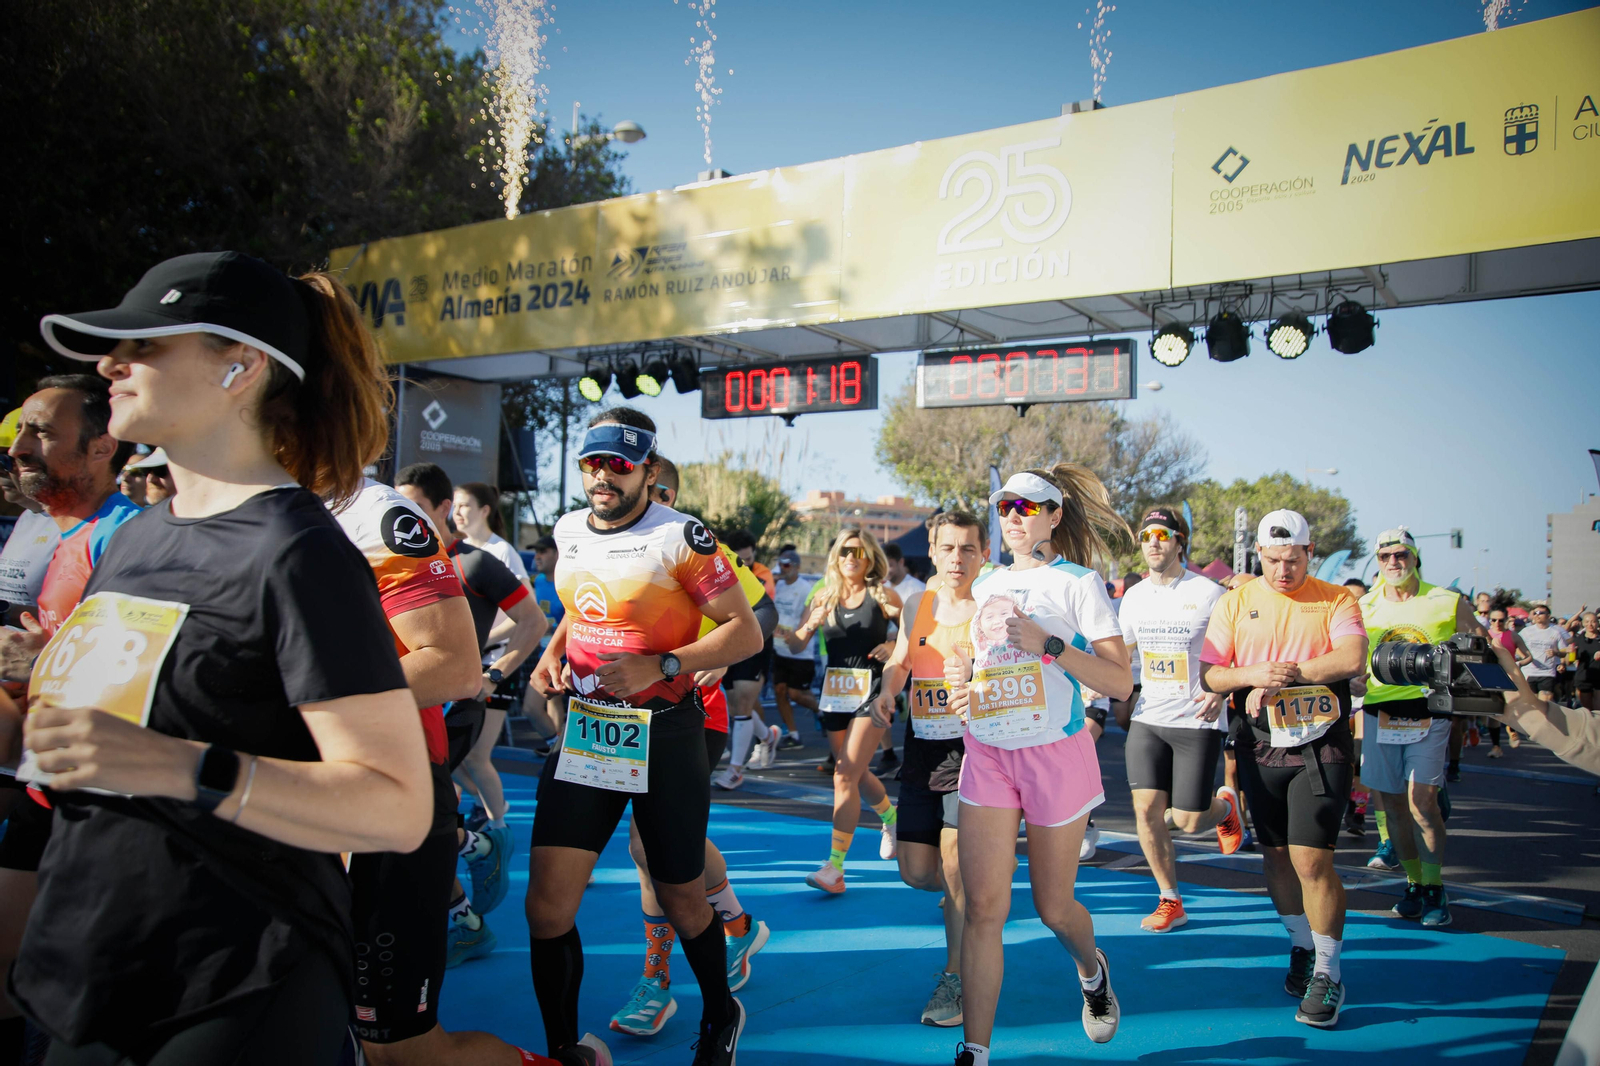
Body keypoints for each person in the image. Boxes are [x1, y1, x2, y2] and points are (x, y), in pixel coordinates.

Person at [9, 250, 437, 1063]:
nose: (110, 365)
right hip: (89, 971)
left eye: (146, 346)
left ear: (239, 368)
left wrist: (179, 765)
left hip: (232, 989)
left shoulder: (297, 551)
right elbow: (101, 738)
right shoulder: (137, 537)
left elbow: (396, 805)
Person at [526, 407, 763, 1066]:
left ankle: (721, 1012)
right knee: (546, 906)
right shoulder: (569, 528)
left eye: (618, 465)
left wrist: (663, 664)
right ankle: (562, 1050)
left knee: (683, 895)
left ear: (647, 472)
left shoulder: (682, 536)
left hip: (664, 729)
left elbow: (746, 632)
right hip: (592, 731)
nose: (603, 476)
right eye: (592, 463)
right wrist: (555, 646)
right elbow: (581, 604)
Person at [944, 465, 1132, 1066]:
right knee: (984, 910)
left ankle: (1092, 970)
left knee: (1054, 908)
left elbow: (1119, 682)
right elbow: (977, 659)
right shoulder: (985, 583)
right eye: (1005, 508)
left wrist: (1050, 645)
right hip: (990, 753)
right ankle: (975, 1050)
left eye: (1029, 508)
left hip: (1056, 755)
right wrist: (962, 680)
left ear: (1054, 515)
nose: (1014, 518)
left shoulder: (1080, 583)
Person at [606, 459, 773, 1040]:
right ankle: (736, 922)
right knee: (659, 847)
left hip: (696, 713)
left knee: (650, 845)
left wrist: (720, 658)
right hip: (625, 717)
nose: (657, 499)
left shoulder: (696, 544)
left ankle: (657, 981)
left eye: (666, 492)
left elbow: (763, 614)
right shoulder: (609, 545)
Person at [0, 375, 141, 1056]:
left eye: (41, 432)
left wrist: (38, 663)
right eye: (20, 430)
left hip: (101, 808)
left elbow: (143, 684)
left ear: (100, 448)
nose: (19, 447)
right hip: (35, 777)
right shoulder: (42, 529)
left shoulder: (126, 537)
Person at [1200, 509, 1368, 1029]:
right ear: (1258, 555)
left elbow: (1353, 657)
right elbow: (1210, 674)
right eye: (1272, 561)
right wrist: (1252, 675)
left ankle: (1328, 971)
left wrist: (1286, 678)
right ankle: (1301, 946)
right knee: (1274, 857)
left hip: (1321, 746)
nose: (1282, 571)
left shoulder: (1335, 597)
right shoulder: (1235, 601)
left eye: (1292, 560)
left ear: (1309, 553)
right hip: (1258, 745)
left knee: (1312, 862)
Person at [393, 461, 549, 971]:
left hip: (450, 712)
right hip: (395, 711)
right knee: (411, 824)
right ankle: (469, 877)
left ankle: (477, 848)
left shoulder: (476, 564)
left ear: (444, 511)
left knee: (415, 821)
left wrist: (493, 675)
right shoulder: (387, 560)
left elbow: (533, 621)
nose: (402, 515)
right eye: (398, 504)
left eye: (416, 505)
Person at [876, 511, 985, 1028]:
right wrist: (887, 691)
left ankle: (954, 979)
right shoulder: (918, 604)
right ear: (934, 553)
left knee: (955, 866)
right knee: (919, 873)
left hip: (974, 753)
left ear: (983, 554)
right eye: (948, 548)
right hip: (922, 747)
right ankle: (972, 899)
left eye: (967, 549)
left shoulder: (991, 608)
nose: (957, 558)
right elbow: (900, 660)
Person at [1118, 507, 1239, 933]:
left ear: (1179, 541)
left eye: (1162, 534)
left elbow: (1236, 650)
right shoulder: (1133, 597)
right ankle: (1170, 899)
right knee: (1146, 809)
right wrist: (1099, 684)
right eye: (1146, 534)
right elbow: (1123, 653)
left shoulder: (1209, 593)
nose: (1152, 541)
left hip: (1197, 718)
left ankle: (1225, 807)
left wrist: (1219, 688)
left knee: (1188, 820)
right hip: (1149, 716)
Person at [1357, 528, 1485, 929]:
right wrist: (1356, 677)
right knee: (1391, 805)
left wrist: (1463, 674)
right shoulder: (1364, 605)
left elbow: (1480, 646)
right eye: (1385, 557)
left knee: (1421, 803)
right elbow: (1354, 656)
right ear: (1377, 561)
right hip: (1381, 711)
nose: (1393, 563)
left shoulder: (1446, 601)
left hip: (1429, 711)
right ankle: (1414, 884)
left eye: (1401, 555)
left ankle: (1434, 887)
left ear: (1415, 558)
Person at [782, 527, 903, 893]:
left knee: (844, 775)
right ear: (836, 556)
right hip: (835, 693)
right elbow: (799, 640)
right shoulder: (824, 597)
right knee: (851, 771)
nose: (851, 557)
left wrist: (891, 641)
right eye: (845, 551)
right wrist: (786, 631)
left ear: (869, 559)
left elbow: (914, 632)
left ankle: (834, 868)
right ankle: (891, 817)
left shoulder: (883, 596)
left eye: (859, 552)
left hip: (874, 691)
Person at [452, 482, 532, 827]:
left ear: (484, 510)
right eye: (453, 506)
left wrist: (481, 641)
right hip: (462, 665)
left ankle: (498, 824)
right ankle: (464, 817)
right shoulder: (454, 552)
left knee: (476, 755)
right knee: (451, 757)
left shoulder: (501, 554)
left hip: (495, 666)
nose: (456, 513)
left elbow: (528, 618)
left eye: (464, 505)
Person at [711, 528, 782, 787]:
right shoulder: (721, 564)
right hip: (729, 637)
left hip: (757, 639)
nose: (745, 563)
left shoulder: (762, 574)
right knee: (735, 706)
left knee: (742, 703)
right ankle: (768, 736)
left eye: (748, 560)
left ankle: (735, 770)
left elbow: (762, 607)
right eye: (740, 559)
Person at [769, 546, 818, 748]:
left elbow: (807, 619)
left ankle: (822, 711)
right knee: (780, 690)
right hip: (779, 648)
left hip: (800, 651)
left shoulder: (805, 588)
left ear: (797, 567)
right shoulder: (778, 585)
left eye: (787, 564)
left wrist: (797, 634)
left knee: (796, 694)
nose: (782, 568)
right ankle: (794, 734)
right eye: (780, 564)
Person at [522, 535, 568, 746]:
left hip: (569, 657)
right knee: (550, 702)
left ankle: (556, 752)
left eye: (543, 552)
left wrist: (552, 627)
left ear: (557, 554)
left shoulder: (567, 582)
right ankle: (556, 751)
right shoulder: (538, 581)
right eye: (536, 552)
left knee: (533, 707)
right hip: (546, 654)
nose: (537, 557)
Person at [1484, 608, 1532, 758]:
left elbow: (1529, 656)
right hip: (1489, 677)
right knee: (1493, 713)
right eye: (1493, 620)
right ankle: (1496, 747)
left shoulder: (1513, 636)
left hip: (1509, 677)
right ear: (1489, 621)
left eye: (1501, 620)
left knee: (1510, 707)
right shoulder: (1484, 635)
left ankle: (1512, 730)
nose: (1497, 623)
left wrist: (1520, 663)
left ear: (1506, 621)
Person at [1520, 603, 1571, 706]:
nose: (1537, 615)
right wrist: (1524, 657)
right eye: (1535, 613)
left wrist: (1556, 652)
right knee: (1531, 704)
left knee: (1544, 703)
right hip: (1529, 672)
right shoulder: (1526, 631)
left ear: (1548, 615)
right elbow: (1517, 646)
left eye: (1541, 613)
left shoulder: (1555, 632)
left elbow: (1564, 652)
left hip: (1547, 672)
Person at [1573, 612, 1600, 711]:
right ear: (1583, 623)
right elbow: (1570, 660)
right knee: (1587, 710)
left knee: (1598, 710)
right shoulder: (1578, 639)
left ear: (1597, 623)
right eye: (1587, 622)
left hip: (1599, 675)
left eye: (1593, 621)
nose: (1590, 624)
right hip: (1584, 676)